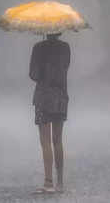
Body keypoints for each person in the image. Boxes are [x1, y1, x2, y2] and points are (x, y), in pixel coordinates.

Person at [29, 33, 70, 194]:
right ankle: (60, 182)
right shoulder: (65, 48)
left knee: (45, 141)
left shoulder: (38, 48)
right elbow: (65, 67)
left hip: (43, 97)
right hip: (60, 96)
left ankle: (48, 182)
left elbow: (33, 75)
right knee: (58, 140)